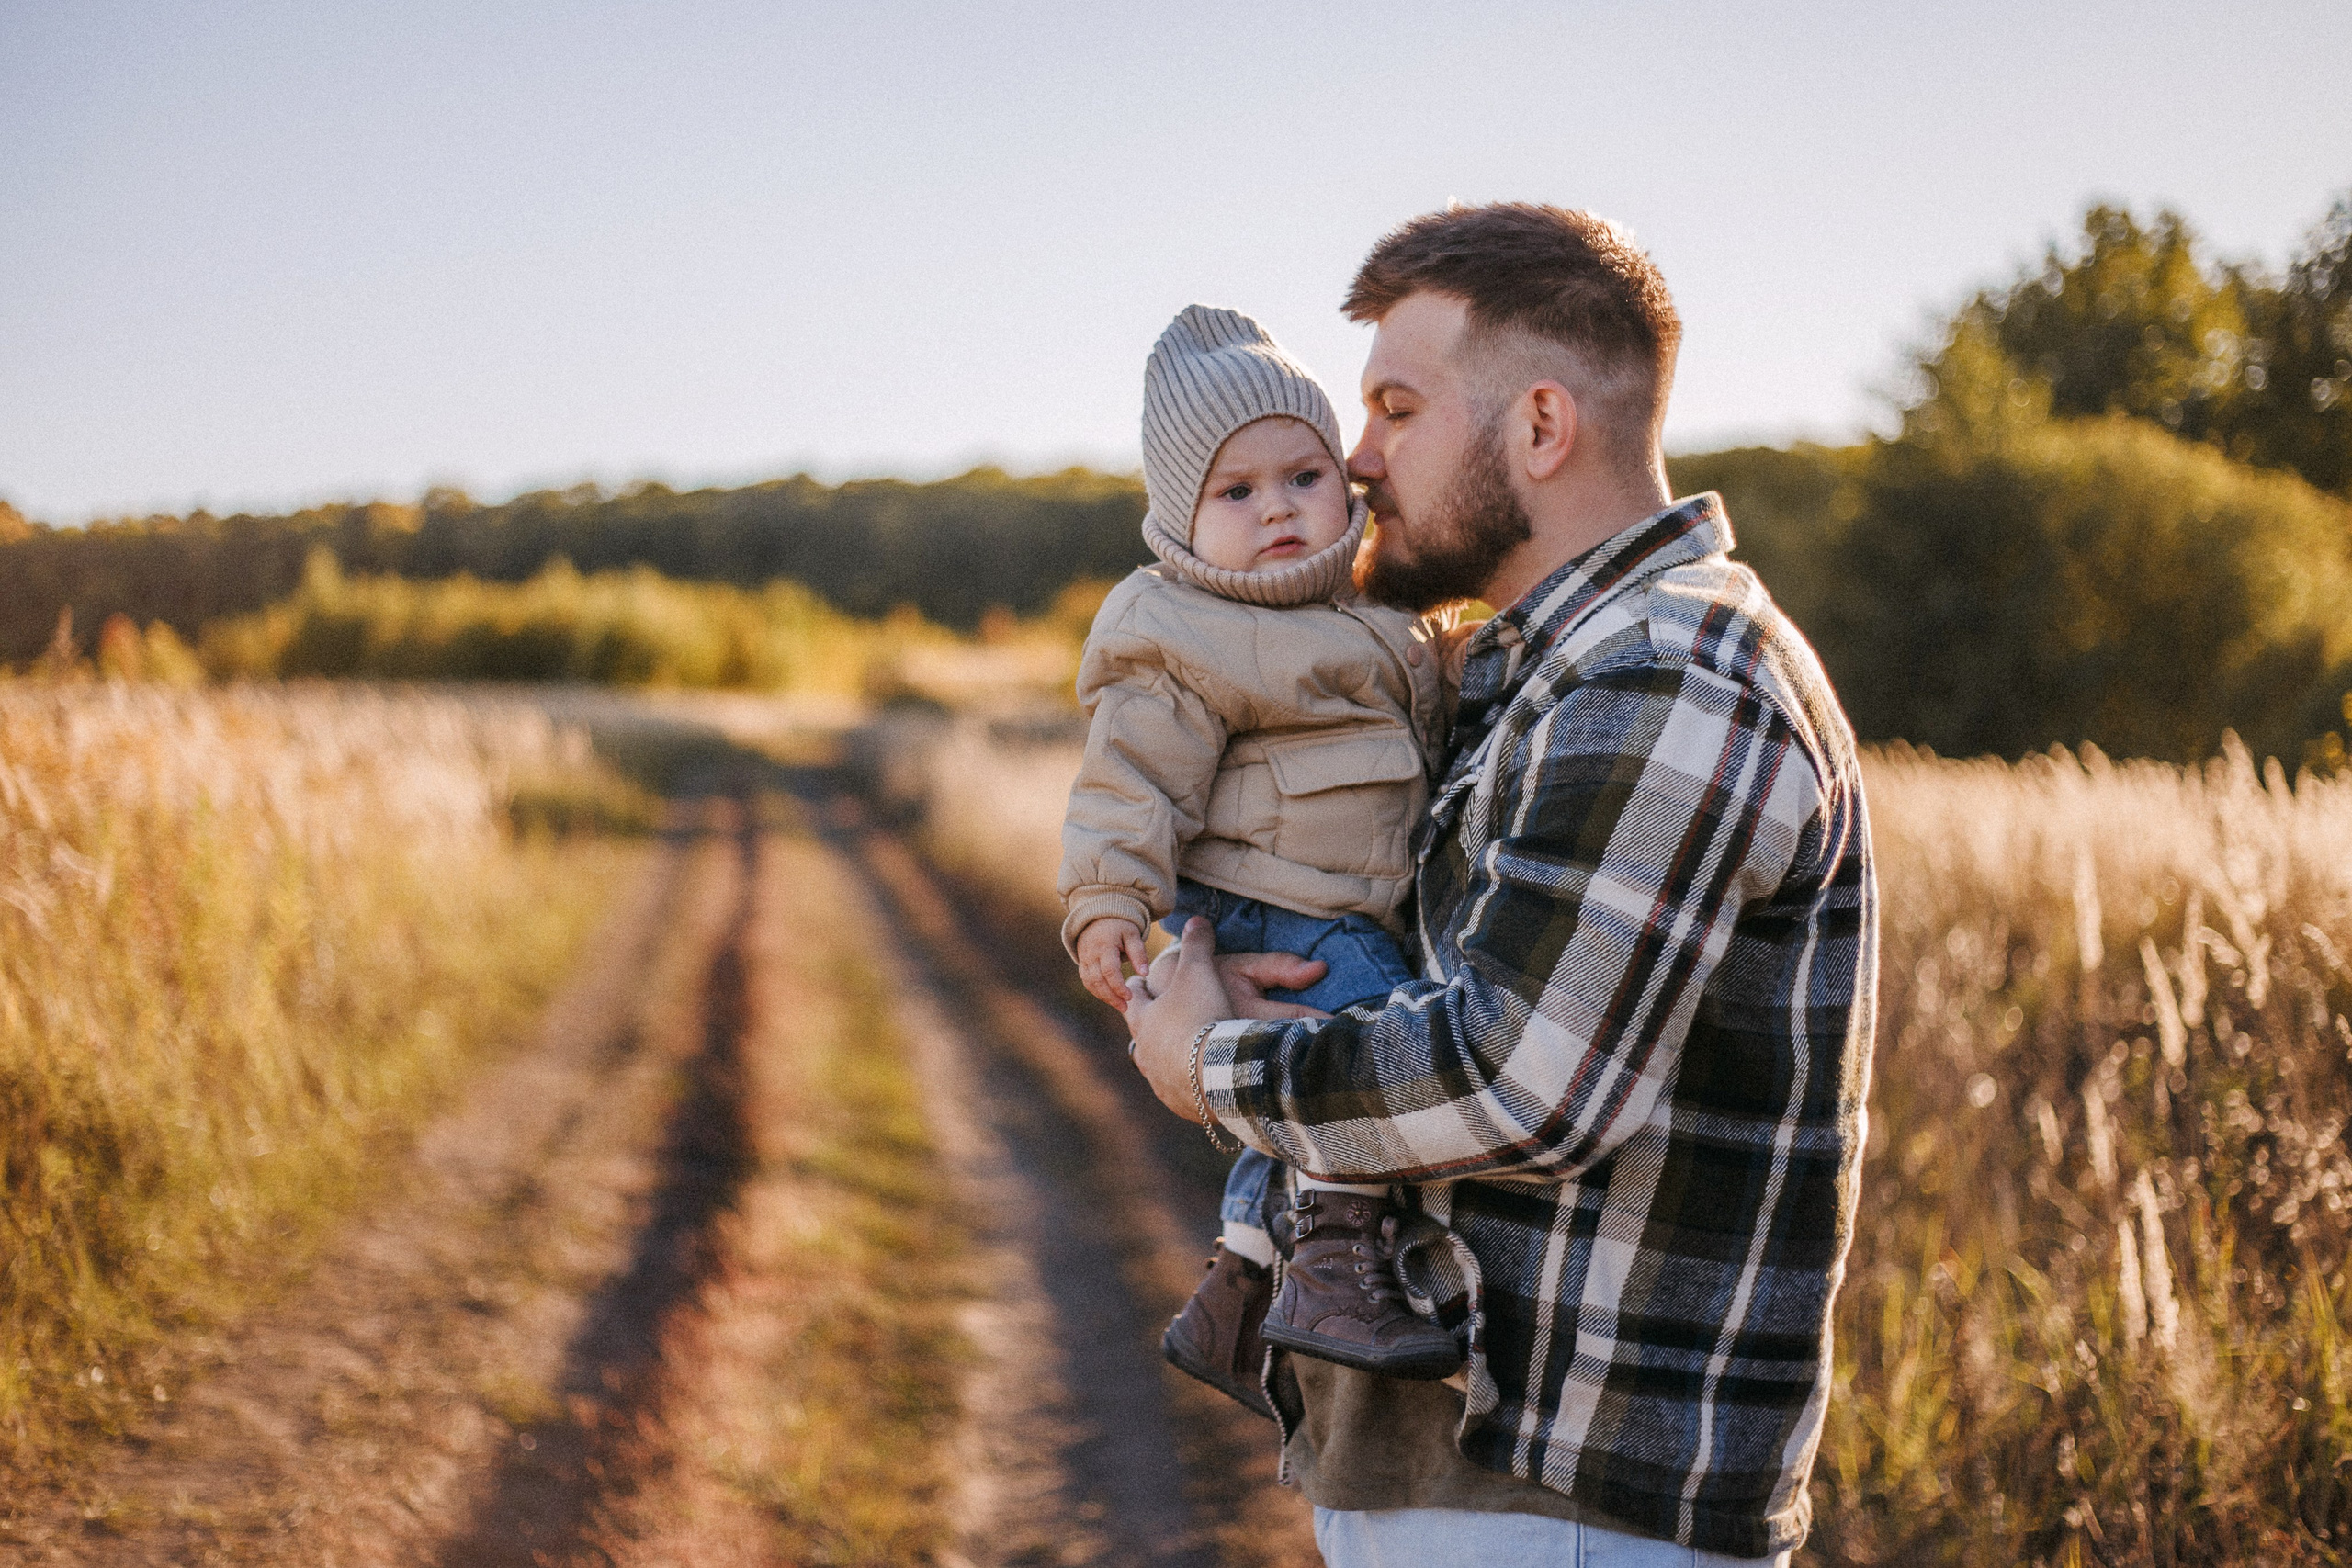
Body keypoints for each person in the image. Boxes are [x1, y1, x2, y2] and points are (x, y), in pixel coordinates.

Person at [1123, 204, 1878, 1566]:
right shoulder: (1526, 673)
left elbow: (1520, 1076)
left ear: (1540, 427)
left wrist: (1211, 1059)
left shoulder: (1667, 672)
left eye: (1397, 406)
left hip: (1571, 1504)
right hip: (1478, 1488)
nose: (1355, 459)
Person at [1058, 303, 1473, 1408]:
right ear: (1179, 524)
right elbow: (1129, 778)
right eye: (1234, 494)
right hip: (1265, 913)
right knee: (1377, 1046)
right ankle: (1333, 1278)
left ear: (1344, 480)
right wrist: (1108, 901)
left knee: (1340, 1039)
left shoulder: (1378, 602)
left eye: (1301, 476)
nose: (1277, 510)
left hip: (1343, 905)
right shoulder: (1178, 629)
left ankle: (1233, 1294)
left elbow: (1425, 707)